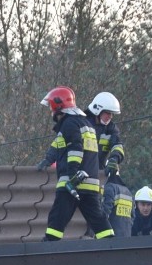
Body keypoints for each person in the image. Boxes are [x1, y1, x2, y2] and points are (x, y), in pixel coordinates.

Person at [37, 86, 114, 241]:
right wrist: (49, 158)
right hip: (90, 183)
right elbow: (59, 144)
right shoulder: (84, 123)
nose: (51, 112)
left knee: (57, 218)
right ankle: (111, 246)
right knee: (98, 220)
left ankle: (47, 248)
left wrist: (72, 175)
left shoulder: (69, 123)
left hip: (73, 181)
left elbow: (75, 149)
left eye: (51, 108)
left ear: (57, 107)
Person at [86, 92, 125, 178]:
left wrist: (114, 159)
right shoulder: (82, 125)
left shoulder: (111, 128)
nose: (110, 116)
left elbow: (117, 145)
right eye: (108, 113)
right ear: (98, 110)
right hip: (80, 174)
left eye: (112, 114)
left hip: (99, 175)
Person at [101, 172, 133, 237]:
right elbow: (132, 216)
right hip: (126, 236)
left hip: (112, 237)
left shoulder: (110, 188)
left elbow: (105, 212)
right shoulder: (128, 191)